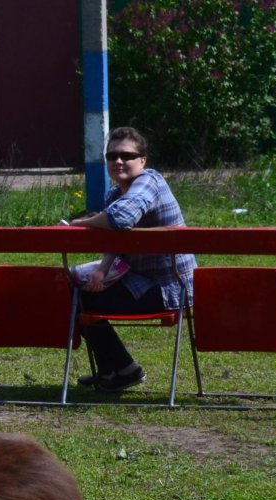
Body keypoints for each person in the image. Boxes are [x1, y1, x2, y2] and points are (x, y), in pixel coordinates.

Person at [70, 127, 197, 392]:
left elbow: (119, 219)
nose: (118, 161)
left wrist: (83, 223)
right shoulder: (115, 194)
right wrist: (102, 270)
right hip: (140, 280)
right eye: (112, 155)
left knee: (79, 299)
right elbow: (116, 238)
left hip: (171, 288)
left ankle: (122, 371)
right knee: (75, 288)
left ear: (143, 161)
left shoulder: (149, 181)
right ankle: (115, 371)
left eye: (126, 155)